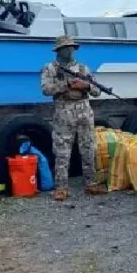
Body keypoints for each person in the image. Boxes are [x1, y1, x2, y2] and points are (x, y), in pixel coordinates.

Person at [40, 35, 107, 201]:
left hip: (84, 110)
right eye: (66, 47)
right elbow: (46, 90)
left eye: (71, 47)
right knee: (62, 150)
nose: (69, 50)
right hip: (64, 111)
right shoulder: (50, 68)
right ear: (59, 50)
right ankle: (61, 187)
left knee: (88, 147)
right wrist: (67, 85)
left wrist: (85, 85)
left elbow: (97, 91)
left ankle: (91, 183)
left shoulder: (83, 69)